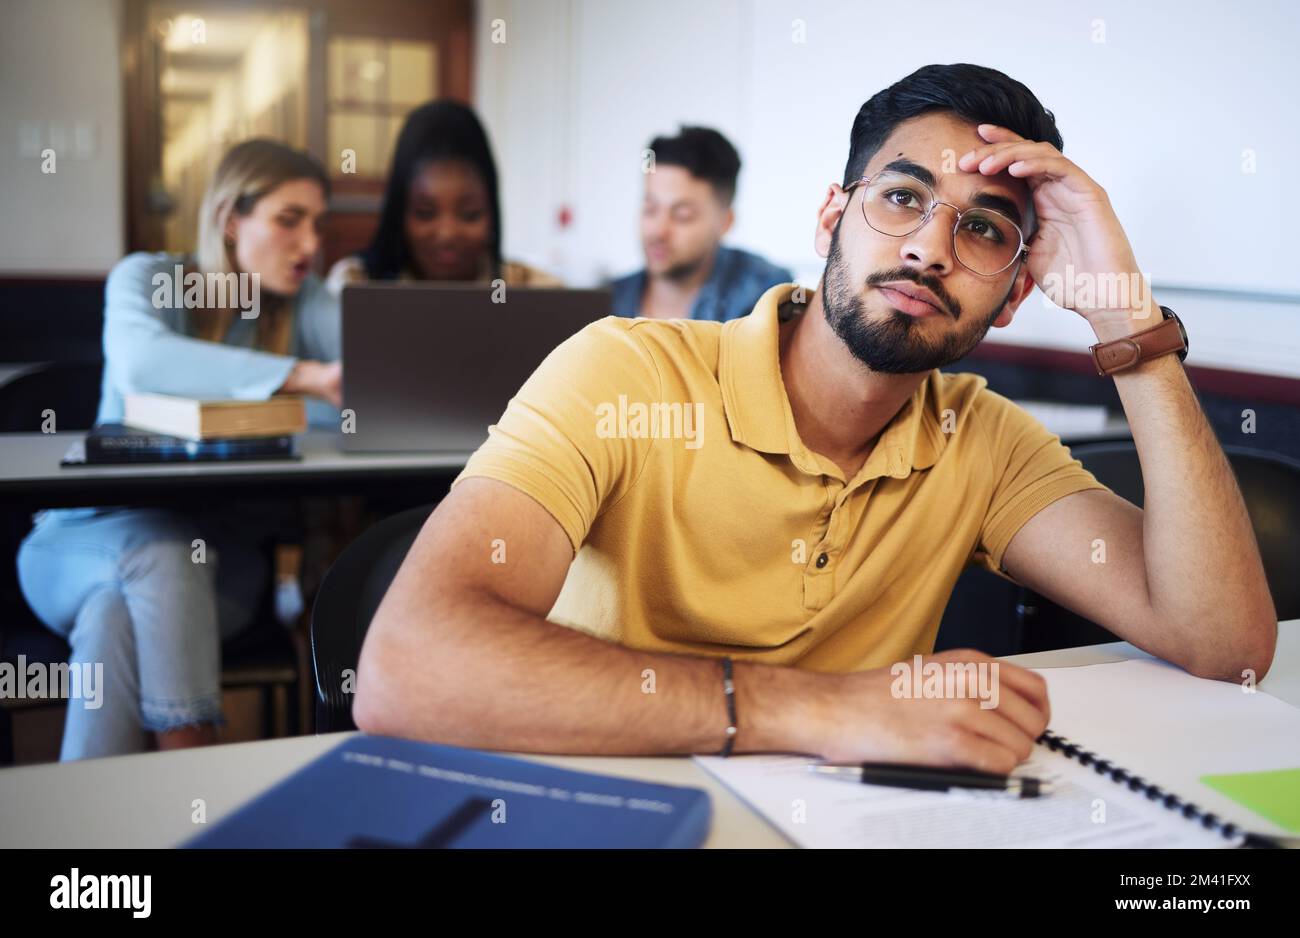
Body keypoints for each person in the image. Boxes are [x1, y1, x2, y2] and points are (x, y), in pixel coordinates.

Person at [352, 64, 1276, 772]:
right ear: (833, 214)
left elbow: (1222, 643)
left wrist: (1128, 321)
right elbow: (408, 664)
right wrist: (820, 709)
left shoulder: (982, 439)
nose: (929, 246)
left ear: (1013, 296)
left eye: (985, 229)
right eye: (903, 197)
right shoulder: (622, 372)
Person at [16, 139, 342, 760]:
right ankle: (193, 762)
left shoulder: (304, 300)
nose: (309, 246)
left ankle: (89, 843)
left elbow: (366, 380)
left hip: (222, 571)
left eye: (318, 225)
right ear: (229, 220)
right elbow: (144, 363)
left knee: (115, 617)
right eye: (288, 220)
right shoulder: (146, 279)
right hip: (78, 544)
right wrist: (299, 377)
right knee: (160, 554)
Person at [327, 100, 559, 291]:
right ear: (399, 212)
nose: (447, 234)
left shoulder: (534, 289)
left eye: (470, 215)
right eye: (425, 214)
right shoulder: (353, 284)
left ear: (492, 212)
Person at [609, 125, 791, 320]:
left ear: (725, 223)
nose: (658, 231)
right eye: (650, 210)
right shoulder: (612, 298)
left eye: (682, 215)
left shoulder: (766, 296)